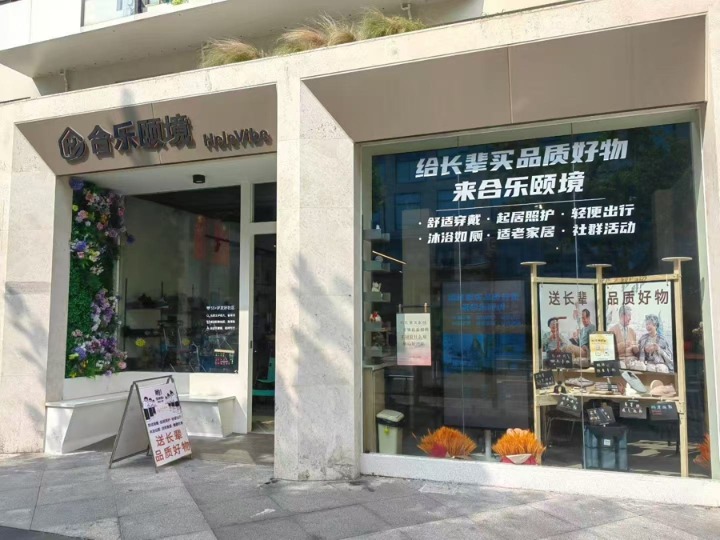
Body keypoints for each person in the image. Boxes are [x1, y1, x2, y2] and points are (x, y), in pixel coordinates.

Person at [609, 305, 641, 369]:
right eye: (629, 315)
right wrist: (623, 345)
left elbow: (636, 353)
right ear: (622, 316)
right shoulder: (612, 330)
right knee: (622, 367)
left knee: (641, 367)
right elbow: (610, 351)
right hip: (619, 360)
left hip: (632, 360)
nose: (630, 318)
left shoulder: (632, 332)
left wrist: (636, 349)